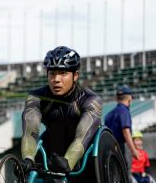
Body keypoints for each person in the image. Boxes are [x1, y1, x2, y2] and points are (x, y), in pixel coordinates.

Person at [21, 46, 103, 175]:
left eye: (63, 73)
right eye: (52, 73)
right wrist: (28, 159)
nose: (56, 79)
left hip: (87, 156)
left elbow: (82, 137)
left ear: (75, 75)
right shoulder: (36, 98)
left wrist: (68, 162)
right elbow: (30, 132)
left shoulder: (91, 100)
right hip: (53, 152)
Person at [104, 85, 140, 162]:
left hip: (108, 149)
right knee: (125, 171)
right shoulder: (124, 111)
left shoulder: (108, 114)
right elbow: (126, 132)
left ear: (117, 98)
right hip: (121, 148)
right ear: (129, 98)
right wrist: (133, 150)